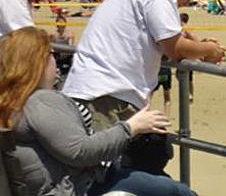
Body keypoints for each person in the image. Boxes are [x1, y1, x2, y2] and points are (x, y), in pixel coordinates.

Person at [0, 27, 184, 196]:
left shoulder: (13, 102)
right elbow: (81, 152)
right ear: (38, 62)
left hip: (54, 185)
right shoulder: (40, 101)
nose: (54, 59)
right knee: (176, 190)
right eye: (51, 54)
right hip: (77, 187)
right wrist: (132, 127)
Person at [62, 0, 226, 132]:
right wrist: (209, 50)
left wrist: (198, 49)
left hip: (98, 88)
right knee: (106, 155)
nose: (189, 1)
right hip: (107, 94)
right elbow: (175, 48)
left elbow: (161, 44)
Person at [50, 14, 75, 82]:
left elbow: (70, 47)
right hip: (56, 55)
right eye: (59, 22)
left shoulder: (69, 34)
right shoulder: (53, 34)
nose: (61, 24)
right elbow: (50, 46)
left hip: (66, 56)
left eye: (62, 22)